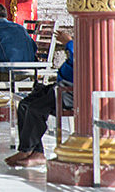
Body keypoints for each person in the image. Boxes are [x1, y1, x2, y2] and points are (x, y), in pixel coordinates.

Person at [6, 29, 73, 168]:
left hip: (71, 91)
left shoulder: (93, 45)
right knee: (25, 104)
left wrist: (69, 43)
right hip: (60, 86)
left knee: (35, 108)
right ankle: (36, 152)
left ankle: (26, 150)